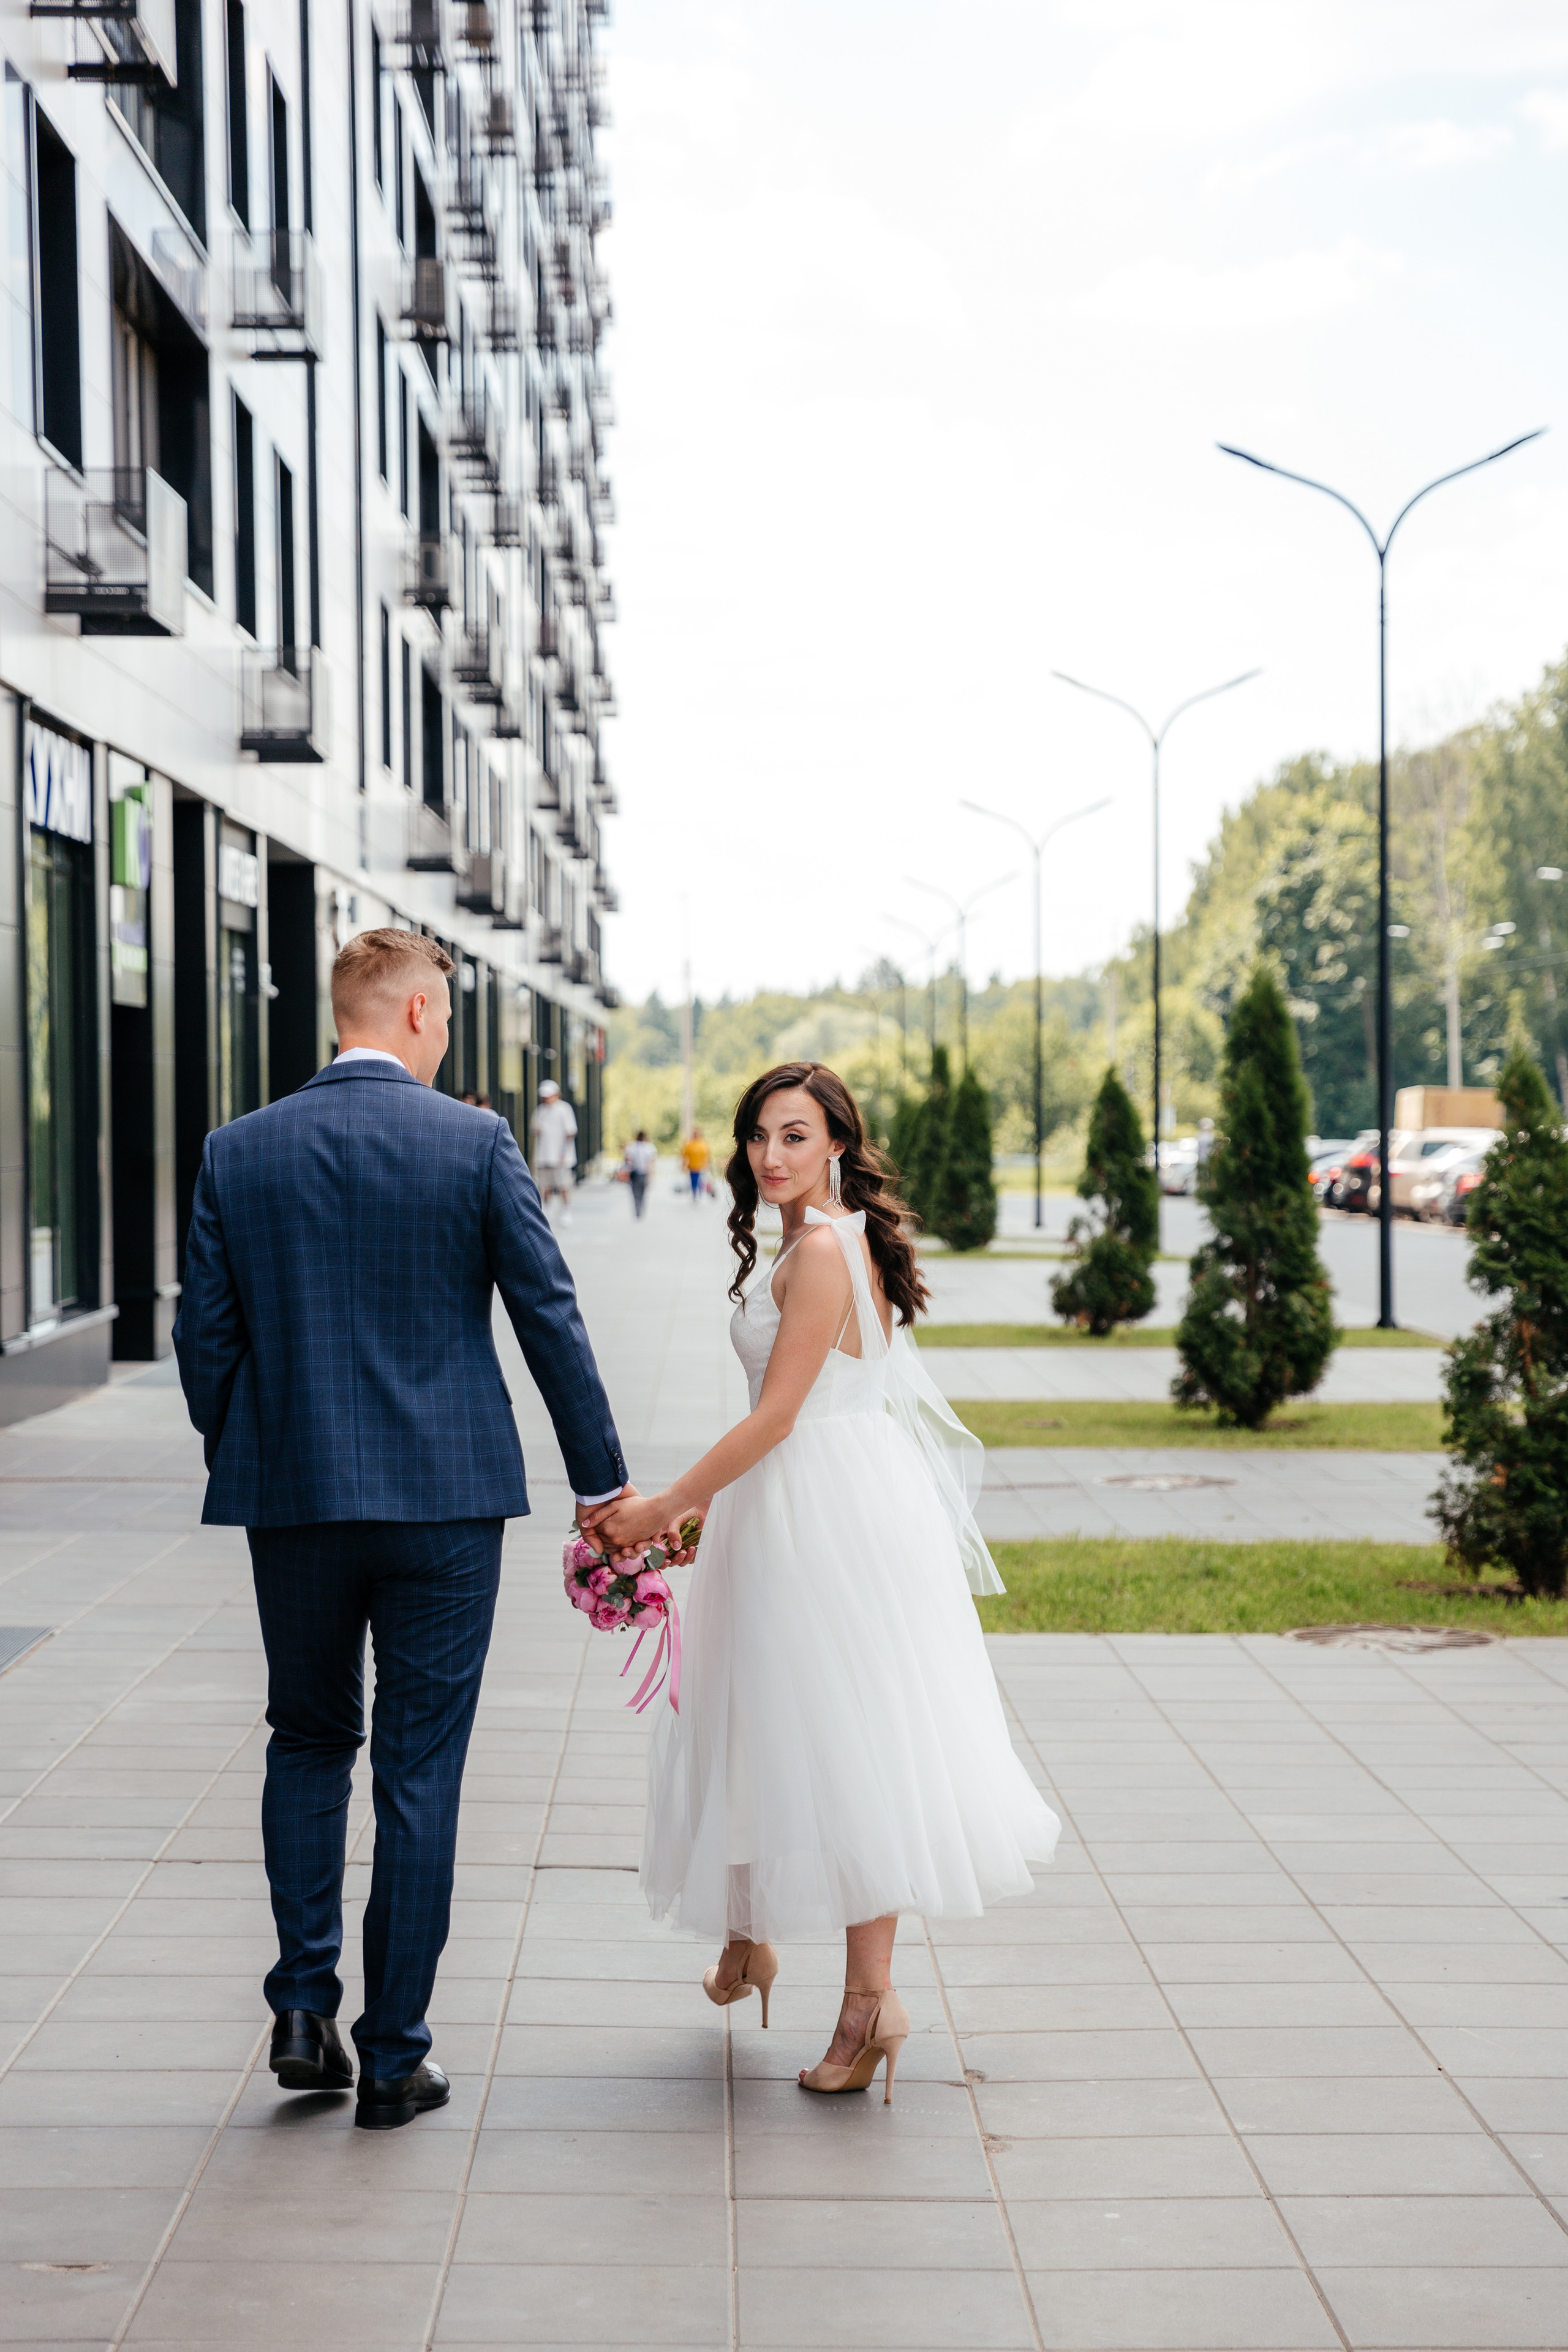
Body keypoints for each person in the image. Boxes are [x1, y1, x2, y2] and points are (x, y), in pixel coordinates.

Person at [174, 931, 633, 2130]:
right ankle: (392, 2057)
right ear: (421, 1010)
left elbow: (204, 1339)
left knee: (307, 1738)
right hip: (445, 1501)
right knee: (418, 1768)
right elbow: (548, 1316)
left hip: (294, 1497)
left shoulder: (237, 1149)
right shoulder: (474, 1144)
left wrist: (247, 1449)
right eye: (448, 1017)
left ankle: (300, 2007)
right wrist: (601, 1484)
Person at [583, 1061, 1058, 2101]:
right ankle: (748, 1939)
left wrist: (667, 1507)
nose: (770, 1155)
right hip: (804, 1497)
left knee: (845, 1743)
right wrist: (712, 1516)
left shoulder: (826, 1251)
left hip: (820, 1509)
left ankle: (869, 2002)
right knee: (764, 1717)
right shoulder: (820, 1238)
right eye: (759, 1135)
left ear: (838, 1141)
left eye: (795, 1135)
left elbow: (778, 1415)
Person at [531, 1079, 578, 1224]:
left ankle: (566, 1210)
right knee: (545, 1185)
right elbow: (534, 1128)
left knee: (563, 1185)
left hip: (560, 1156)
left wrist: (564, 1152)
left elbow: (570, 1131)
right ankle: (548, 1208)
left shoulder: (564, 1109)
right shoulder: (541, 1110)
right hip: (544, 1155)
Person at [623, 1128, 657, 1219]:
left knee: (636, 1194)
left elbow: (629, 1162)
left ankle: (637, 1210)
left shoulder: (632, 1147)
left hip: (635, 1174)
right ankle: (642, 1209)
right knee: (643, 1193)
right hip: (644, 1174)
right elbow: (650, 1163)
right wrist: (651, 1176)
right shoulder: (649, 1148)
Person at [680, 1126, 710, 1203]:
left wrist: (708, 1165)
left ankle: (700, 1195)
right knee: (694, 1182)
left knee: (701, 1181)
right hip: (692, 1166)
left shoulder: (704, 1144)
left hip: (702, 1166)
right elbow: (685, 1156)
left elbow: (707, 1155)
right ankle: (694, 1195)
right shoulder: (689, 1144)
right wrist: (683, 1166)